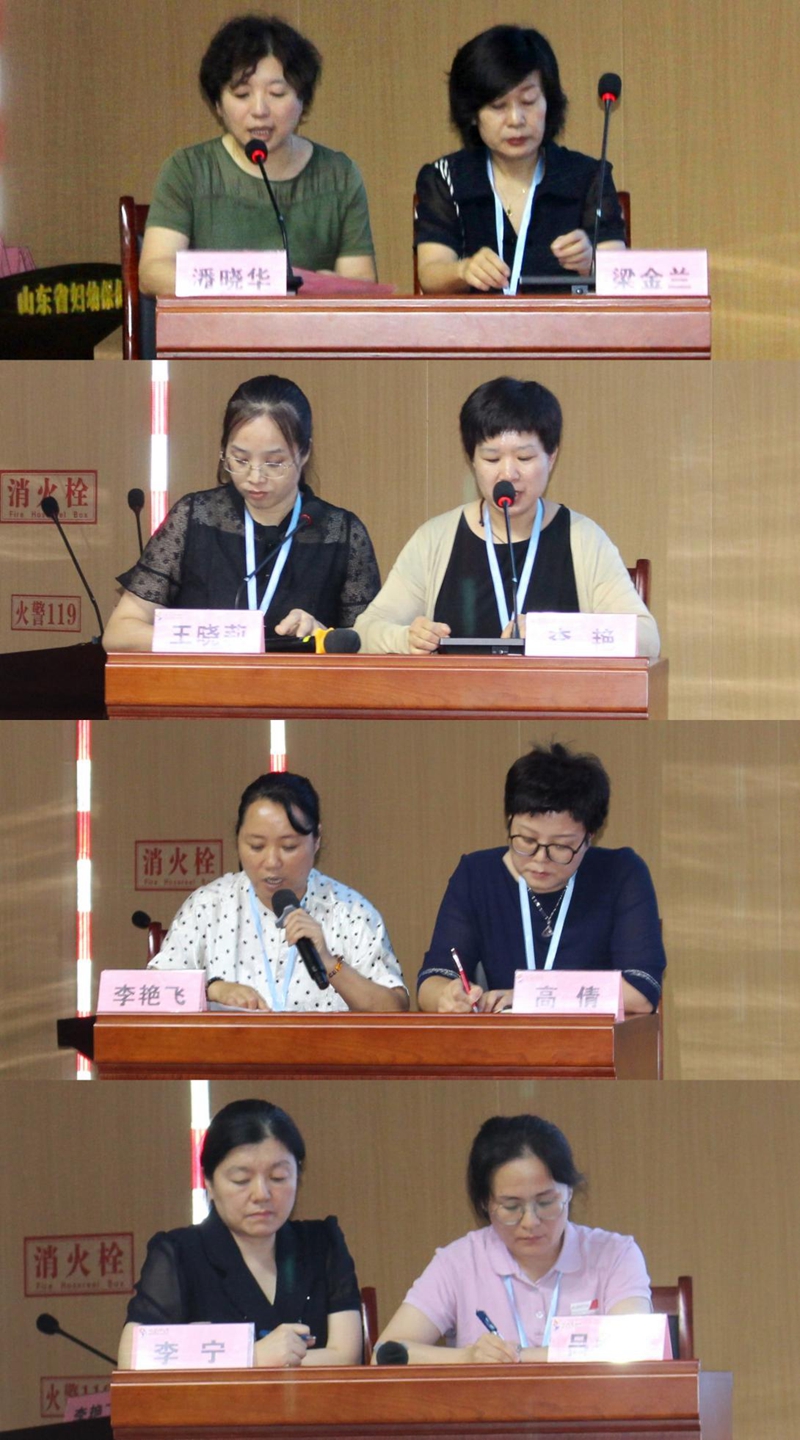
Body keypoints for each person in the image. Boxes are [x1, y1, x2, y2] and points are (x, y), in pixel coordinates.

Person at [354, 377, 659, 657]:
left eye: (524, 458)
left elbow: (646, 638)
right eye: (491, 458)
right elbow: (364, 632)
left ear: (551, 457)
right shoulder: (434, 539)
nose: (508, 474)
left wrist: (553, 634)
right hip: (457, 699)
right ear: (472, 460)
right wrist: (406, 639)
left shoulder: (583, 538)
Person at [103, 374, 381, 651]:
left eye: (274, 463)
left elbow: (369, 646)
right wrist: (210, 639)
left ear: (304, 452)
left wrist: (325, 636)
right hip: (204, 679)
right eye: (240, 459)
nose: (255, 477)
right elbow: (119, 632)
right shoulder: (194, 517)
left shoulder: (342, 533)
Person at [374, 1113, 651, 1363]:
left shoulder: (615, 1255)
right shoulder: (458, 1262)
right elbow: (384, 1354)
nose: (530, 1222)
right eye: (511, 1207)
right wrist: (468, 1358)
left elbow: (638, 1347)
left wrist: (517, 1357)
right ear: (485, 1203)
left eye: (546, 1202)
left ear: (569, 1191)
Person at [417, 743, 665, 1016]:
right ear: (509, 820)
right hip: (506, 1041)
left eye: (560, 846)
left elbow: (641, 992)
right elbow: (432, 979)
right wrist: (447, 997)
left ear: (589, 837)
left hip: (594, 1041)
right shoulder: (476, 875)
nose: (540, 858)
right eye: (526, 840)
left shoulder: (621, 874)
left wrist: (529, 997)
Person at [139, 14, 377, 297]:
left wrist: (326, 287)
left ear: (303, 100)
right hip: (216, 325)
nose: (260, 110)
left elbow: (361, 282)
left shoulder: (338, 174)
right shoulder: (188, 170)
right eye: (242, 95)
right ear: (218, 105)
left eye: (277, 93)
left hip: (308, 326)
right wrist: (252, 285)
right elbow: (153, 271)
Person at [119, 1098, 363, 1368]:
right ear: (209, 1182)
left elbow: (346, 1357)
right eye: (241, 1180)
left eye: (278, 1177)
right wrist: (253, 1359)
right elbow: (134, 1360)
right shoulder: (179, 1253)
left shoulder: (322, 1243)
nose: (262, 1194)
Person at [149, 771, 409, 1013]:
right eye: (256, 846)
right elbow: (152, 991)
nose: (272, 862)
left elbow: (394, 1010)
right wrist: (212, 989)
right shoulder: (208, 906)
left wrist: (329, 963)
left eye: (288, 847)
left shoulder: (349, 911)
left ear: (316, 839)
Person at [415, 25, 626, 294]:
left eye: (528, 101)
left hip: (564, 322)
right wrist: (462, 270)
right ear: (472, 114)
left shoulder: (587, 176)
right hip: (476, 323)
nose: (516, 120)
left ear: (548, 103)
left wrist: (591, 264)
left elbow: (620, 273)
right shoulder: (447, 178)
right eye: (498, 106)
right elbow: (430, 272)